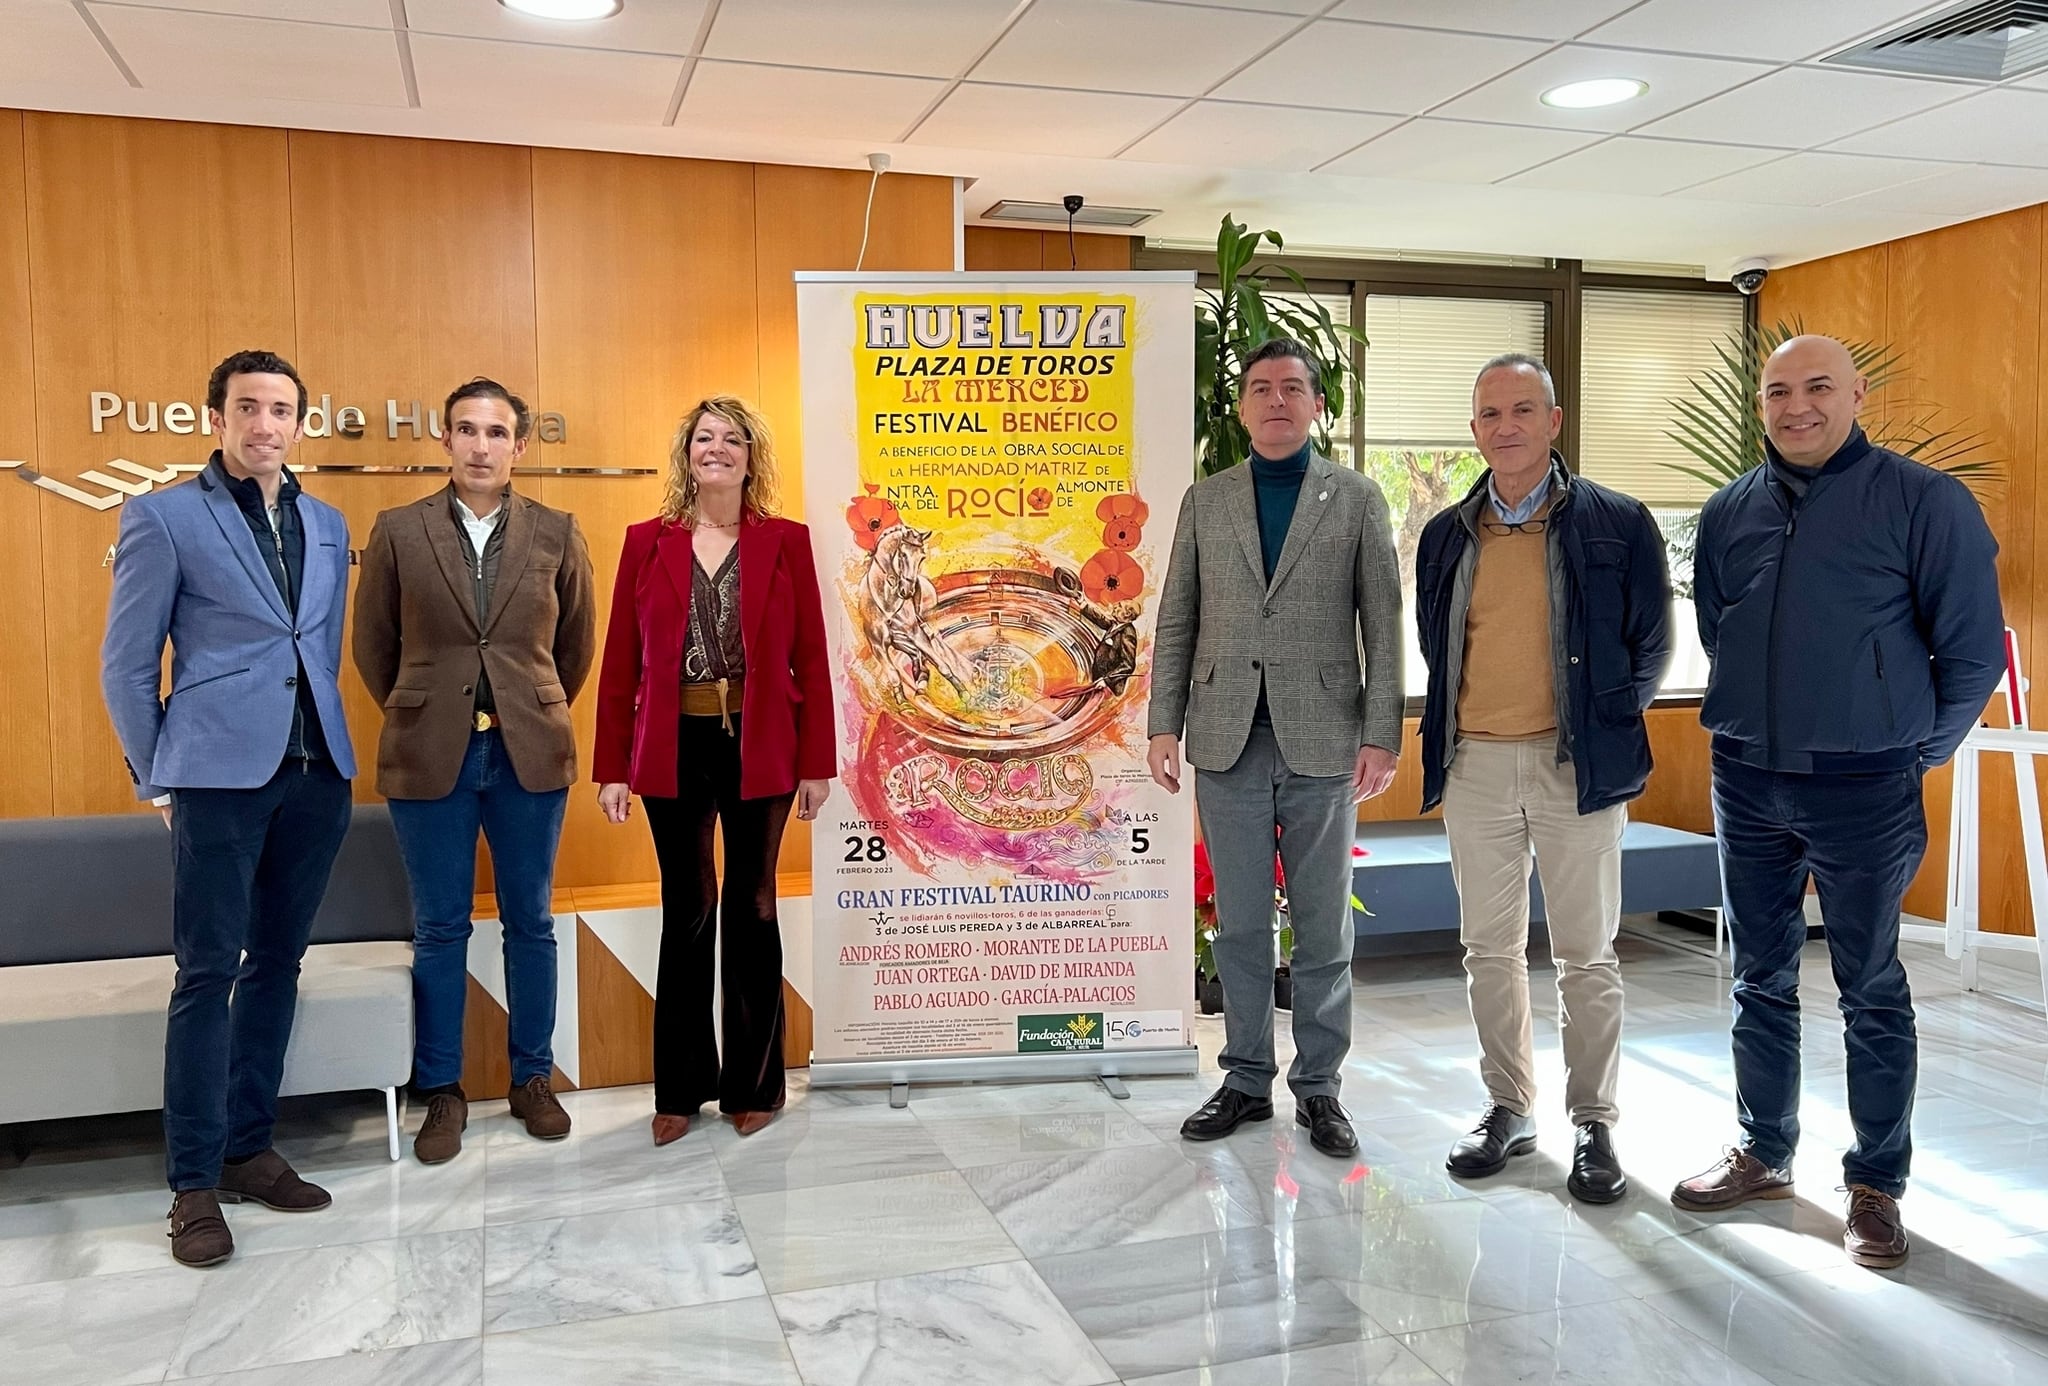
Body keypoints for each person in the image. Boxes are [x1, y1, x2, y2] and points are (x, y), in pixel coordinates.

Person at [1673, 334, 2004, 1268]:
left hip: (1867, 783)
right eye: (1779, 390)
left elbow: (1973, 652)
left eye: (1819, 386)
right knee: (1757, 976)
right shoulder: (1729, 507)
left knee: (1870, 986)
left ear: (1857, 393)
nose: (1798, 406)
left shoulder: (1923, 501)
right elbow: (1717, 626)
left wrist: (1909, 753)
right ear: (1761, 403)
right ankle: (1765, 1151)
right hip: (1745, 772)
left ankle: (1875, 1185)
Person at [101, 349, 356, 1267]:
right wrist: (159, 776)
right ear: (218, 417)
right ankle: (193, 1184)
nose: (265, 425)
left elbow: (315, 647)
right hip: (213, 776)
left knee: (280, 964)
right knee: (207, 974)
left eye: (281, 410)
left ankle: (250, 1148)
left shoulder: (326, 522)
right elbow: (126, 666)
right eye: (247, 408)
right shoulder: (164, 517)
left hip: (316, 771)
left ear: (298, 423)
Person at [1414, 353, 1670, 1203]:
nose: (1507, 426)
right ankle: (1507, 1107)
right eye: (1491, 414)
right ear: (1476, 429)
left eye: (1524, 409)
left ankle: (1593, 1122)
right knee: (1487, 949)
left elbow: (1652, 646)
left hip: (1576, 766)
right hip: (1477, 764)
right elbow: (1436, 642)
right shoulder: (1448, 534)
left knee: (1586, 954)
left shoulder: (1617, 522)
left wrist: (1597, 723)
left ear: (1554, 422)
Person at [1147, 337, 1403, 1158]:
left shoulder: (1357, 498)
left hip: (1324, 739)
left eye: (1294, 388)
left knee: (1325, 929)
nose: (1277, 401)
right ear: (1242, 406)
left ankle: (1320, 1088)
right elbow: (1178, 618)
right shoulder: (1205, 499)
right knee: (1242, 926)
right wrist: (1163, 723)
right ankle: (1246, 1078)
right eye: (1261, 389)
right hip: (1225, 740)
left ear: (1318, 404)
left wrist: (1382, 734)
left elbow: (1383, 625)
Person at [352, 377, 596, 1165]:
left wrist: (532, 705)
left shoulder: (558, 531)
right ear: (446, 440)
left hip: (530, 750)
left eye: (497, 433)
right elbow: (373, 647)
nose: (481, 446)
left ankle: (532, 1079)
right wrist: (426, 709)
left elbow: (576, 648)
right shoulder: (397, 529)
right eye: (467, 430)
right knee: (439, 928)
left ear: (519, 446)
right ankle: (442, 1092)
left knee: (531, 921)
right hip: (431, 755)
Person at [594, 395, 834, 1145]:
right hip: (673, 747)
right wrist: (612, 768)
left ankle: (755, 1086)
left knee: (754, 907)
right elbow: (619, 666)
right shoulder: (647, 541)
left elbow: (812, 658)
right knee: (688, 909)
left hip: (763, 745)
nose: (718, 449)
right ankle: (681, 1087)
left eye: (733, 439)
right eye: (705, 438)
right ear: (687, 452)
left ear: (750, 455)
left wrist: (816, 763)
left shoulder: (786, 542)